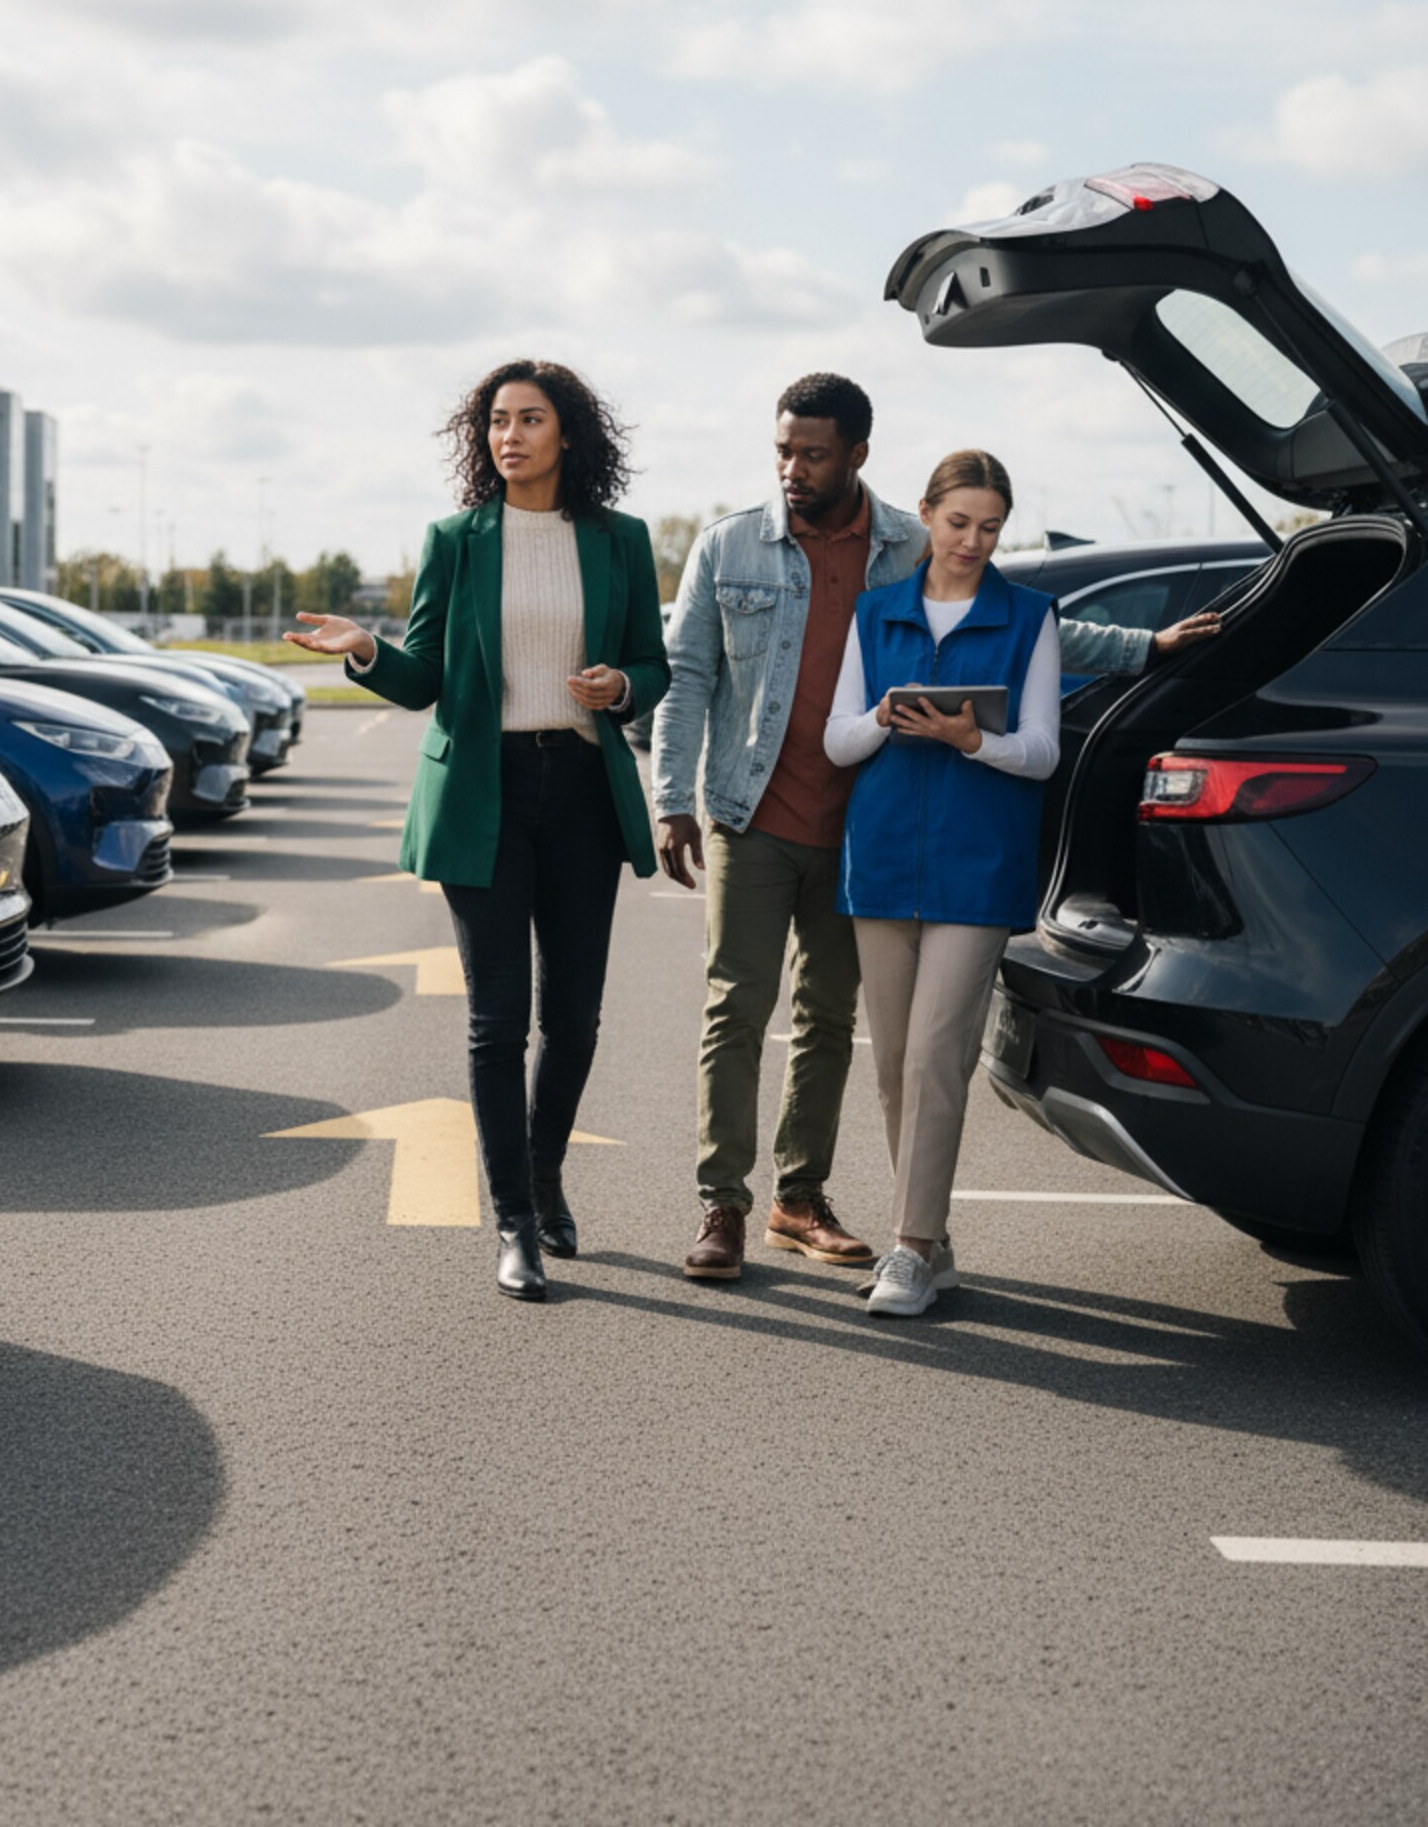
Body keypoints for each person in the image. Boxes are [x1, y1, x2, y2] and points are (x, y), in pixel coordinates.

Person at [652, 373, 1220, 1283]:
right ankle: (723, 1203)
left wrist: (1143, 646)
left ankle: (803, 1200)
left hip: (855, 826)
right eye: (784, 451)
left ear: (858, 456)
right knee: (737, 1006)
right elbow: (687, 677)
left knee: (829, 1020)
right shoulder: (731, 546)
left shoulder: (907, 545)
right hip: (750, 810)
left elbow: (1033, 627)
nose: (794, 469)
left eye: (814, 453)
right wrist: (672, 796)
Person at [287, 359, 669, 1301]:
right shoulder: (455, 540)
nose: (510, 436)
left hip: (581, 785)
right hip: (484, 794)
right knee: (497, 1023)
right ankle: (514, 1223)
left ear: (568, 434)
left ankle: (545, 1174)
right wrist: (368, 650)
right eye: (497, 421)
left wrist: (620, 688)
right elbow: (423, 677)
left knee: (572, 1017)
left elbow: (653, 668)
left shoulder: (619, 540)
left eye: (531, 420)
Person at [824, 450, 1052, 1315]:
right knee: (891, 1070)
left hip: (977, 865)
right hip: (880, 858)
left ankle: (911, 1249)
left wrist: (971, 742)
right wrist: (883, 718)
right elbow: (836, 740)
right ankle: (936, 1243)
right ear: (925, 514)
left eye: (990, 527)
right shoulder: (876, 613)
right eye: (959, 522)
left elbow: (1040, 752)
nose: (973, 541)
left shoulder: (1030, 615)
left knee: (934, 1060)